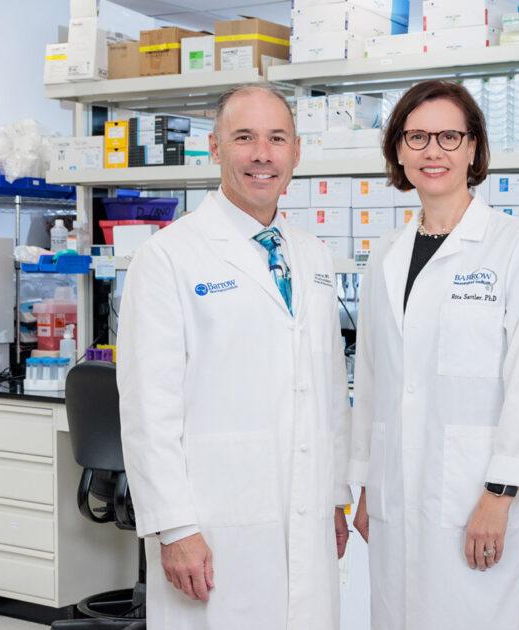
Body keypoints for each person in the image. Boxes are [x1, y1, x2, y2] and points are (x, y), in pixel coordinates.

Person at [118, 84, 352, 630]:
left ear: (296, 152)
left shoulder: (312, 255)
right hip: (215, 521)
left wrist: (335, 498)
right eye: (244, 137)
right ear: (216, 149)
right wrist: (174, 528)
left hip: (308, 511)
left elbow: (327, 391)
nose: (262, 154)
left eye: (276, 138)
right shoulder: (168, 258)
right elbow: (149, 410)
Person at [348, 80, 519, 630]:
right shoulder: (385, 260)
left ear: (474, 148)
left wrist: (498, 495)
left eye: (449, 136)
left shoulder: (517, 246)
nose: (433, 151)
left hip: (477, 498)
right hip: (396, 495)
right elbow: (374, 382)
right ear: (398, 149)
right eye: (417, 137)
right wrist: (367, 486)